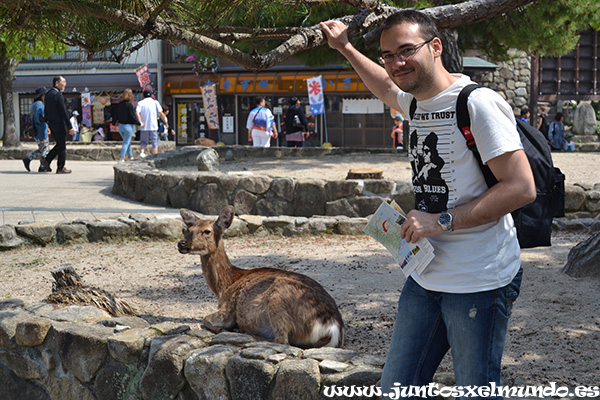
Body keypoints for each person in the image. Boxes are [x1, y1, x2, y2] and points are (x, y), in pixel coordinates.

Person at [321, 10, 536, 397]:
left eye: (406, 50)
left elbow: (521, 187)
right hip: (424, 277)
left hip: (479, 280)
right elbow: (386, 88)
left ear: (435, 47)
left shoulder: (477, 104)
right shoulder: (416, 103)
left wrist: (442, 221)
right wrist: (346, 47)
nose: (396, 62)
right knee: (397, 389)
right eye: (388, 54)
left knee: (477, 390)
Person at [43, 76, 75, 174]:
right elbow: (63, 112)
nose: (65, 84)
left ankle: (47, 160)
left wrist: (47, 124)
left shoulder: (48, 95)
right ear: (57, 83)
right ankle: (60, 167)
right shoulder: (58, 95)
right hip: (59, 123)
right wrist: (70, 126)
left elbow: (46, 111)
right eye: (63, 82)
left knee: (59, 144)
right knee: (62, 147)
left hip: (52, 123)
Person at [23, 87, 51, 173]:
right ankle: (42, 165)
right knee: (46, 148)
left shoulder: (33, 105)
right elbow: (42, 117)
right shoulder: (40, 105)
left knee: (41, 148)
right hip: (41, 129)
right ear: (42, 95)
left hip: (35, 130)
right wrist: (48, 121)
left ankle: (28, 158)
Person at [113, 88, 144, 163]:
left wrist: (114, 122)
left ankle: (130, 156)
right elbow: (132, 117)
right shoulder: (129, 105)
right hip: (128, 126)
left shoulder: (119, 104)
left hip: (120, 126)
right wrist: (140, 123)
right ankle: (121, 158)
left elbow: (115, 115)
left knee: (127, 142)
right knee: (126, 142)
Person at [136, 89, 168, 157]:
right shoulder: (155, 102)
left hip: (144, 127)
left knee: (143, 142)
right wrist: (165, 122)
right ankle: (154, 157)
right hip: (153, 126)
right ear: (151, 95)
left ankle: (142, 153)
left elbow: (137, 113)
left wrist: (140, 122)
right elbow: (161, 113)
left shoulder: (140, 103)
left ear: (143, 95)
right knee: (155, 143)